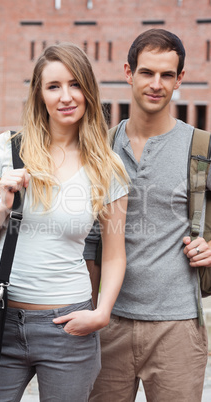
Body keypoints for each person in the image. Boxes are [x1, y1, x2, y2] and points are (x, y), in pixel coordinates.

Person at [0, 43, 129, 402]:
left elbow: (115, 253)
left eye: (75, 84)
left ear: (88, 90)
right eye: (53, 86)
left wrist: (101, 313)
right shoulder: (8, 150)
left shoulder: (107, 167)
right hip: (0, 319)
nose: (66, 96)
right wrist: (1, 210)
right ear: (39, 95)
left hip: (69, 328)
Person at [85, 29, 211, 402]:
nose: (156, 84)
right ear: (128, 72)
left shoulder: (201, 147)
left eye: (167, 75)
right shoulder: (101, 148)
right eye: (147, 72)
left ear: (179, 79)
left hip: (178, 327)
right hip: (108, 323)